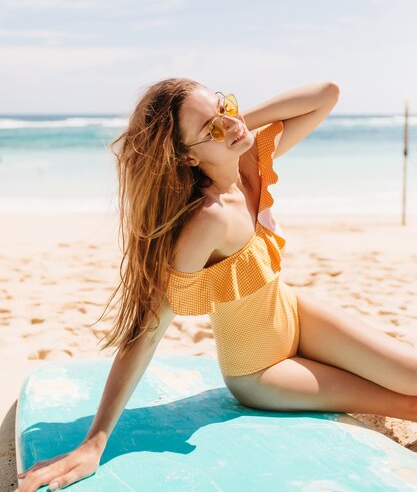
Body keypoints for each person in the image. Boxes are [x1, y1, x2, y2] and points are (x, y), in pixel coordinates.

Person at [16, 78, 417, 491]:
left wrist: (237, 121)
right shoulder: (207, 221)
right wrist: (95, 442)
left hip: (294, 314)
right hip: (260, 371)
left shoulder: (250, 159)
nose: (230, 126)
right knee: (409, 403)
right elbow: (148, 331)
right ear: (187, 157)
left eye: (224, 108)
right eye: (211, 130)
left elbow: (326, 95)